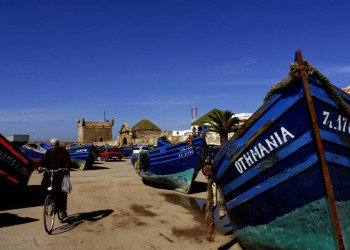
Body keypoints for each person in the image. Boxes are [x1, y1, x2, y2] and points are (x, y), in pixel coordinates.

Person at [38, 138, 71, 219]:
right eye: (52, 145)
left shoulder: (64, 152)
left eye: (55, 145)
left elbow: (68, 161)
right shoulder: (48, 152)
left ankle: (63, 210)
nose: (53, 147)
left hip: (60, 174)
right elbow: (43, 160)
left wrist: (66, 168)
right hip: (50, 174)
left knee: (62, 193)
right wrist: (40, 167)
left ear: (58, 145)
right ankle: (49, 201)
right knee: (44, 186)